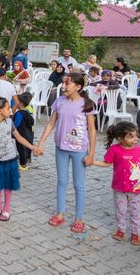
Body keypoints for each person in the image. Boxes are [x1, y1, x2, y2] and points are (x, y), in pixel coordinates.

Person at [35, 73, 97, 234]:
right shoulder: (59, 101)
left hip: (79, 150)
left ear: (78, 87)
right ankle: (60, 213)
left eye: (67, 84)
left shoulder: (87, 104)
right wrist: (40, 143)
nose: (64, 86)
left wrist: (91, 153)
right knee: (61, 181)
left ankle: (79, 218)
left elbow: (92, 130)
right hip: (60, 148)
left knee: (79, 185)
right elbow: (50, 124)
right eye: (63, 83)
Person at [93, 122, 140, 245]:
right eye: (130, 136)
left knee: (135, 212)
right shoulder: (114, 149)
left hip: (136, 190)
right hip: (119, 189)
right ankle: (121, 230)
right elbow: (106, 163)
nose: (135, 139)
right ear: (120, 139)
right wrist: (93, 162)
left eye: (136, 135)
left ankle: (135, 233)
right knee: (120, 211)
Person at [14, 92, 35, 170]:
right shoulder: (27, 112)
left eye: (17, 102)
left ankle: (23, 165)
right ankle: (25, 161)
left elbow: (16, 125)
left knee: (21, 149)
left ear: (21, 103)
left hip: (21, 134)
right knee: (25, 149)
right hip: (28, 134)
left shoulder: (19, 113)